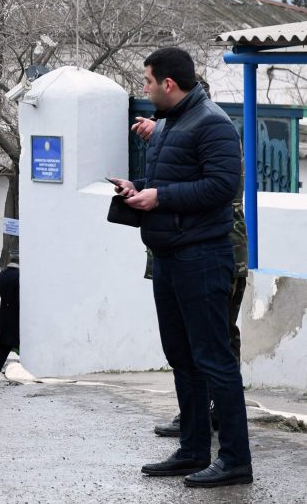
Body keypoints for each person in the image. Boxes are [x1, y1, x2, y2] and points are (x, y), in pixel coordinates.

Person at [111, 47, 252, 488]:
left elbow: (220, 186)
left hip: (202, 258)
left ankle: (234, 460)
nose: (145, 89)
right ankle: (193, 451)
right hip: (170, 258)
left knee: (214, 360)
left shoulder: (212, 123)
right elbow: (174, 181)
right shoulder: (171, 123)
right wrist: (140, 188)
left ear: (168, 83)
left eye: (148, 81)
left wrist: (160, 198)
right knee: (182, 358)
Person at [132, 86, 249, 438]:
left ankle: (218, 420)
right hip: (180, 251)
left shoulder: (213, 128)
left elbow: (213, 186)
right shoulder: (177, 132)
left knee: (216, 342)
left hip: (213, 250)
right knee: (186, 345)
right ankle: (195, 420)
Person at [0, 250, 19, 376]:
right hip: (16, 316)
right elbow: (19, 299)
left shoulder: (3, 274)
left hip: (4, 314)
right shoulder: (19, 275)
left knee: (4, 345)